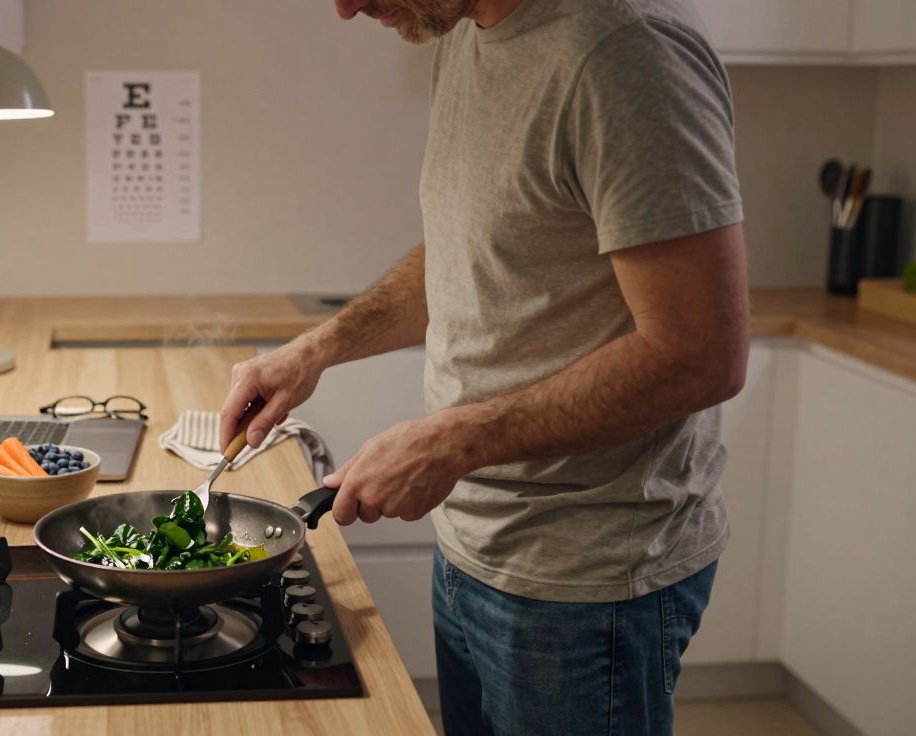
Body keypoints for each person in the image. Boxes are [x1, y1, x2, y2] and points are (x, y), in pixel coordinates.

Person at [217, 0, 748, 733]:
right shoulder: (464, 31)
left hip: (583, 582)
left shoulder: (626, 51)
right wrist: (318, 349)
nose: (344, 7)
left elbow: (702, 353)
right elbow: (474, 250)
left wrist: (449, 442)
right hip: (473, 543)